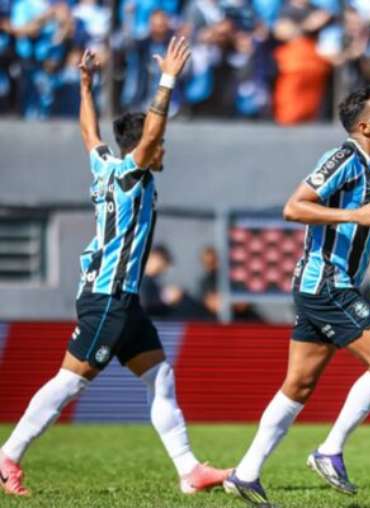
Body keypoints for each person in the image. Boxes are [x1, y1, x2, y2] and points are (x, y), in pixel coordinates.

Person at [0, 39, 230, 496]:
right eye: (158, 143)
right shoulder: (130, 173)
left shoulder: (104, 165)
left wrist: (86, 87)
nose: (163, 149)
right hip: (108, 297)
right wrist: (167, 79)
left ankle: (189, 470)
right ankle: (8, 456)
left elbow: (89, 134)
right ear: (143, 147)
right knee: (70, 382)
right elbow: (145, 135)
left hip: (122, 300)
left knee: (159, 375)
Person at [224, 85, 370, 505]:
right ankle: (329, 450)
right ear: (364, 125)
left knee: (298, 385)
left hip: (329, 286)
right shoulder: (343, 159)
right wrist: (351, 213)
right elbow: (294, 207)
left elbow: (366, 227)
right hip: (326, 282)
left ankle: (245, 473)